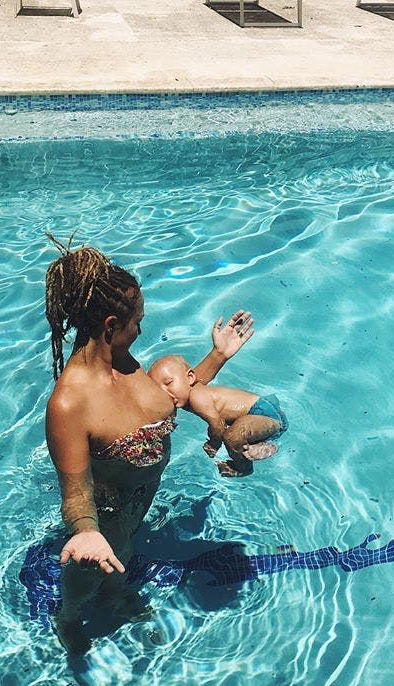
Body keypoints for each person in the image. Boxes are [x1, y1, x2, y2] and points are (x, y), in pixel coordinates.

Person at [43, 232, 253, 654]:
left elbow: (169, 401)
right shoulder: (71, 403)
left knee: (126, 552)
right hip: (107, 513)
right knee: (94, 568)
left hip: (140, 501)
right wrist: (85, 531)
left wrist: (217, 357)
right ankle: (66, 617)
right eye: (137, 320)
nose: (142, 328)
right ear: (110, 326)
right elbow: (76, 491)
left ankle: (115, 595)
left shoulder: (127, 365)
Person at [148, 354, 288, 478]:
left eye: (168, 383)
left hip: (264, 414)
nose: (165, 392)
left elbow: (218, 425)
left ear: (190, 377)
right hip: (258, 414)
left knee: (232, 436)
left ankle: (244, 468)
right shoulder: (188, 395)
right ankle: (258, 443)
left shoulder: (197, 397)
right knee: (237, 433)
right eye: (158, 389)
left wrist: (214, 443)